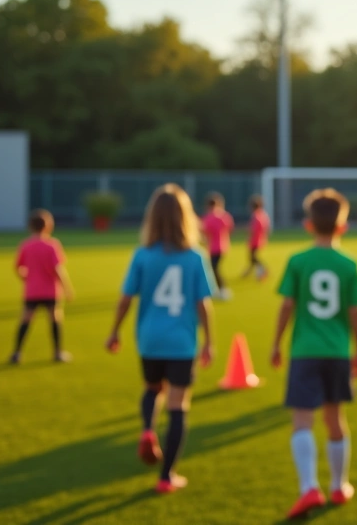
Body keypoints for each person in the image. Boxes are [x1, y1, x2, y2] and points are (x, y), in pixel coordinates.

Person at [106, 184, 215, 494]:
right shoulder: (195, 257)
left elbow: (126, 298)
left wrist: (114, 331)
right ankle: (167, 476)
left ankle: (146, 429)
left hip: (149, 339)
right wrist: (209, 341)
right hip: (181, 342)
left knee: (153, 388)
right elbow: (202, 304)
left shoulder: (142, 255)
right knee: (179, 404)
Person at [271, 189, 357, 519]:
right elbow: (355, 312)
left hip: (305, 351)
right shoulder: (348, 263)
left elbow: (287, 305)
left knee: (302, 421)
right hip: (337, 351)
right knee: (335, 418)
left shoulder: (298, 261)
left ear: (308, 225)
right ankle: (339, 485)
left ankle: (309, 486)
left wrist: (276, 343)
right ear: (343, 226)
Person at [10, 209, 75, 364]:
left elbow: (18, 267)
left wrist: (26, 278)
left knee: (25, 321)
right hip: (50, 291)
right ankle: (57, 352)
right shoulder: (52, 245)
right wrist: (67, 288)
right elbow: (57, 268)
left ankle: (17, 353)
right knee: (54, 320)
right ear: (48, 226)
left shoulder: (26, 245)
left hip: (32, 290)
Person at [200, 193, 235, 301]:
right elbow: (230, 228)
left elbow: (203, 232)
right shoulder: (224, 216)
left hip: (213, 248)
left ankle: (223, 289)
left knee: (214, 269)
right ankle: (219, 289)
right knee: (215, 268)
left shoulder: (208, 218)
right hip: (223, 246)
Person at [242, 195, 271, 282]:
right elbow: (267, 227)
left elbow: (253, 229)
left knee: (253, 258)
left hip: (255, 240)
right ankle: (247, 273)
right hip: (261, 239)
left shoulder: (256, 215)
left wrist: (249, 235)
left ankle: (264, 270)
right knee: (252, 258)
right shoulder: (263, 214)